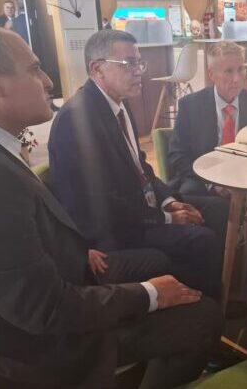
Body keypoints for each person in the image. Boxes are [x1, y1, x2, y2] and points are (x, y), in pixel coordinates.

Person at [0, 25, 222, 388]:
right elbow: (46, 309)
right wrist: (150, 294)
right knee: (203, 317)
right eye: (34, 69)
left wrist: (76, 249)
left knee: (159, 264)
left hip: (19, 304)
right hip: (35, 351)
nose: (49, 81)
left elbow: (4, 251)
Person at [48, 30, 223, 299]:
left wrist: (169, 202)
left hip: (140, 209)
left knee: (218, 210)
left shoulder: (118, 104)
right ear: (97, 69)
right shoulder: (76, 119)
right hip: (114, 230)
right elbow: (100, 203)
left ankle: (222, 287)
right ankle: (206, 305)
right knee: (203, 240)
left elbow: (141, 168)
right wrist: (166, 218)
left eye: (139, 62)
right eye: (129, 63)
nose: (139, 71)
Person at [167, 41, 247, 278]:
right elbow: (177, 156)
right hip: (203, 181)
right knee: (203, 202)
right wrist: (212, 183)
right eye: (228, 71)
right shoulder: (190, 105)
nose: (237, 79)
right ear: (212, 74)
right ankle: (223, 270)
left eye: (241, 70)